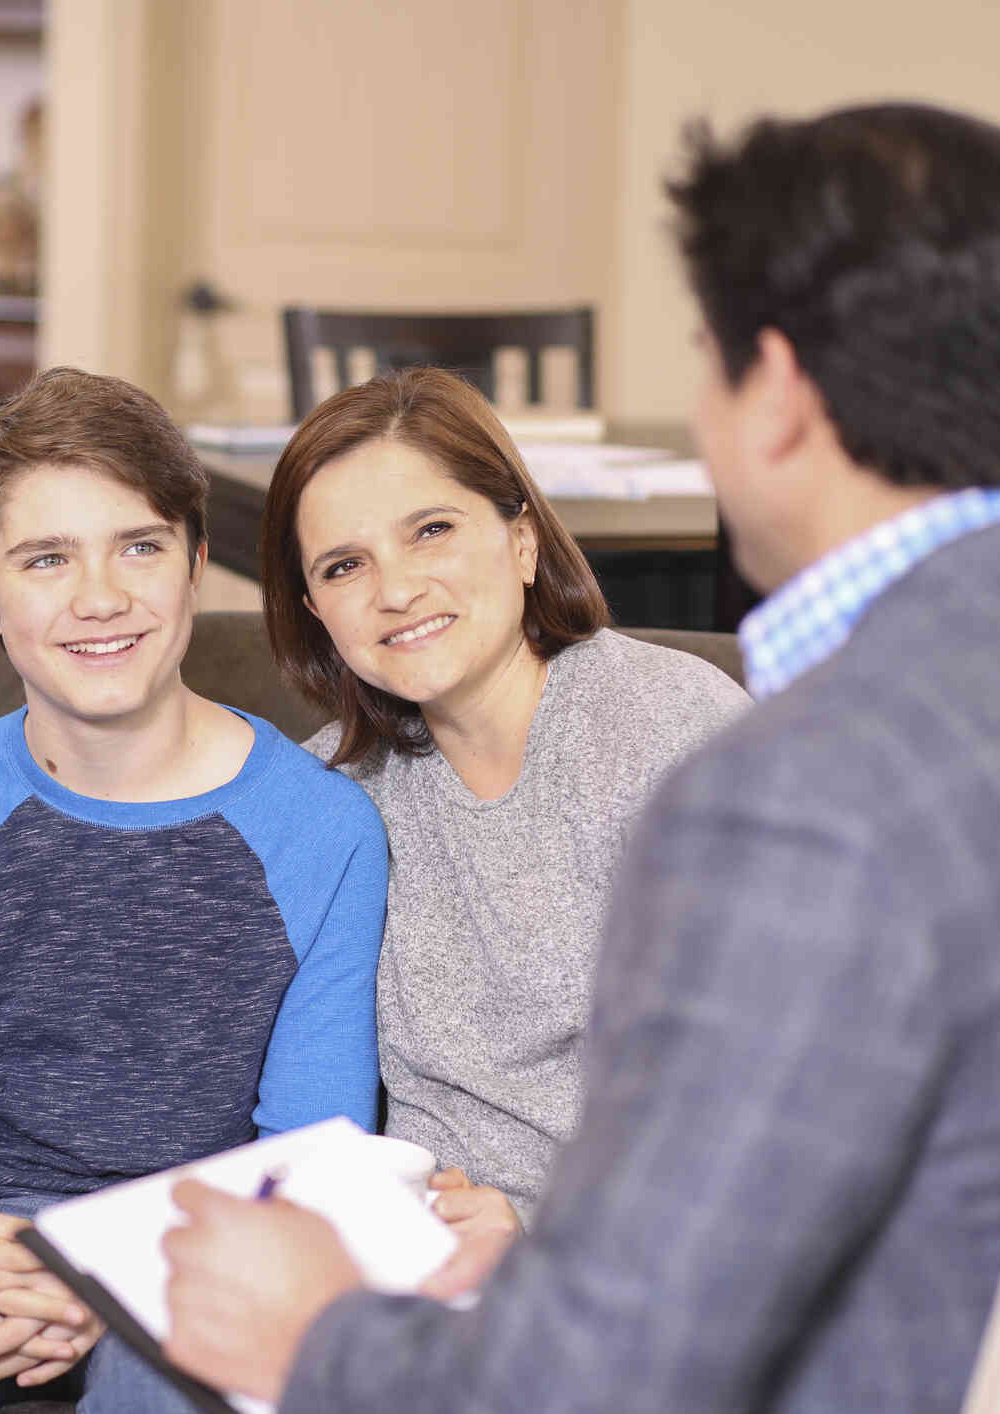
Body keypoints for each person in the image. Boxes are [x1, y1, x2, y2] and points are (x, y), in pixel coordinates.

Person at [160, 101, 1000, 1414]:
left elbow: (624, 1360)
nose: (393, 586)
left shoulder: (792, 781)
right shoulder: (945, 692)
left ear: (772, 390)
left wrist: (314, 1335)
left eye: (705, 364)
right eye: (342, 564)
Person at [0, 367, 388, 1414]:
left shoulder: (323, 831)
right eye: (46, 559)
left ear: (197, 560)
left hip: (204, 1236)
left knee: (179, 1391)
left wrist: (103, 1274)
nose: (101, 598)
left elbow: (307, 1157)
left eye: (138, 546)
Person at [265, 366, 747, 1280]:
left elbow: (766, 1099)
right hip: (410, 1266)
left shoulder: (669, 734)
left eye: (431, 532)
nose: (394, 590)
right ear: (314, 611)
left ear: (521, 543)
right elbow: (155, 850)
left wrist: (537, 1245)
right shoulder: (328, 787)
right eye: (343, 565)